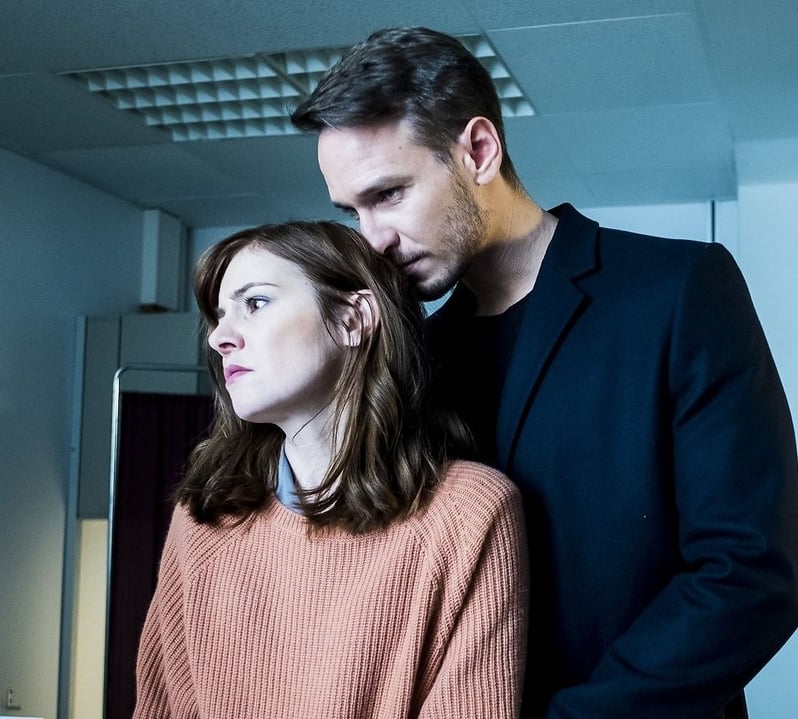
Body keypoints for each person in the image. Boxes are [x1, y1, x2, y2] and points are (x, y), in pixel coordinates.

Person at [291, 27, 798, 719]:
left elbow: (748, 576)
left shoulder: (678, 289)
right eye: (352, 211)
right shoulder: (414, 358)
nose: (371, 238)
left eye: (388, 194)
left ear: (478, 150)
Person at [132, 221, 528, 719]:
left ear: (352, 319)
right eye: (218, 315)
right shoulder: (204, 515)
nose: (219, 338)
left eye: (255, 302)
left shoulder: (470, 513)